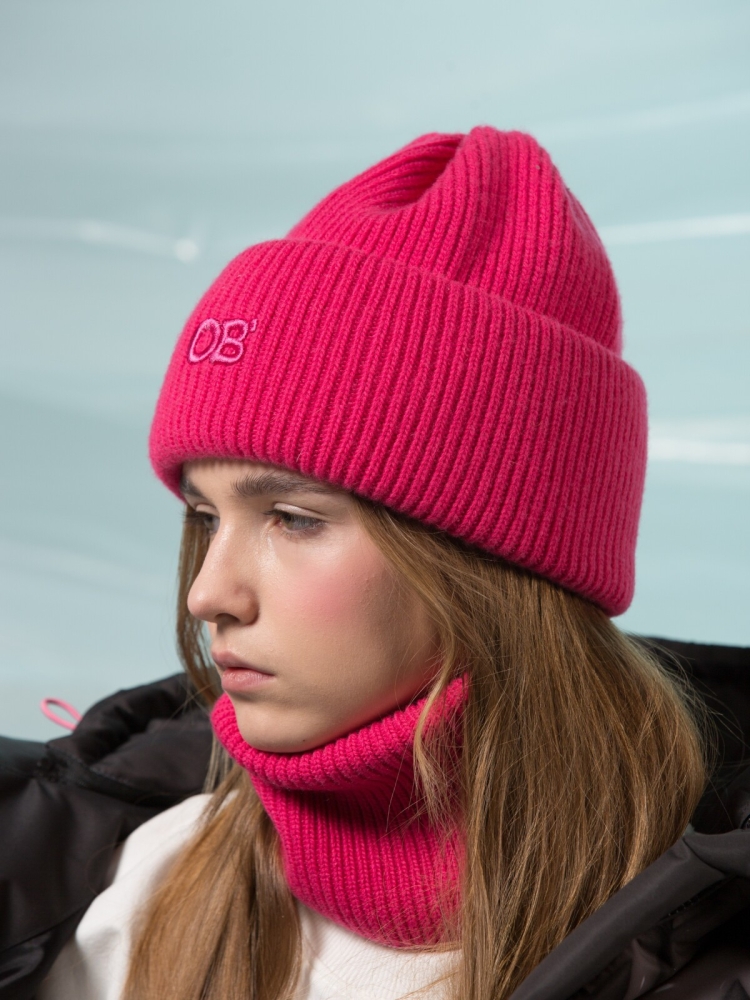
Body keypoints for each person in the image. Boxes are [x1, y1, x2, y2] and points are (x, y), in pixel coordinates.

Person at [15, 126, 750, 998]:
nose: (209, 595)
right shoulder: (133, 897)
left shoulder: (712, 945)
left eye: (292, 519)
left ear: (488, 559)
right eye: (205, 518)